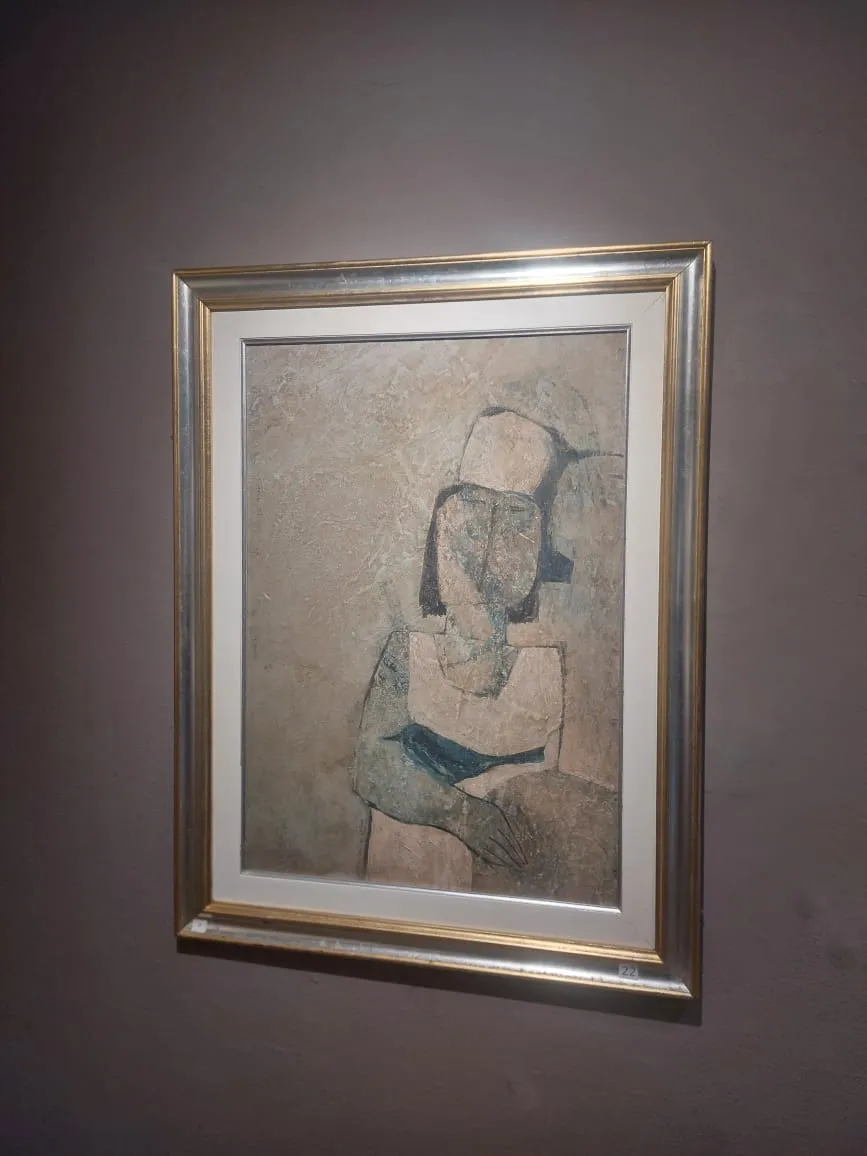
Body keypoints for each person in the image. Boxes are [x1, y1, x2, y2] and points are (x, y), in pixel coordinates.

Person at [351, 408, 576, 891]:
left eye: (515, 519)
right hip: (403, 886)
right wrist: (462, 814)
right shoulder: (409, 652)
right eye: (470, 514)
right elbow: (371, 766)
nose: (488, 543)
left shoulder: (550, 671)